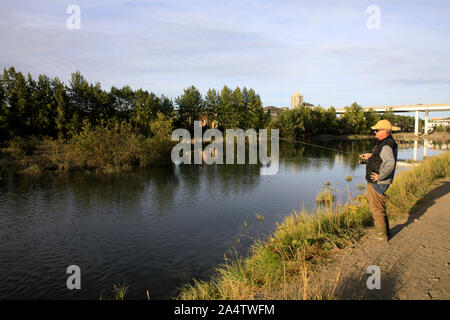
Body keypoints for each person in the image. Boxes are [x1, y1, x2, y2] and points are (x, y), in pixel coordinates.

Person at [360, 120, 399, 242]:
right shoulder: (386, 143)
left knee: (376, 208)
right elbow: (382, 159)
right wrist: (371, 157)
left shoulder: (386, 145)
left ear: (385, 131)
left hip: (378, 182)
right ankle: (386, 232)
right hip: (379, 181)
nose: (375, 132)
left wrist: (380, 176)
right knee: (379, 207)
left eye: (377, 130)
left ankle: (381, 236)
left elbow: (390, 163)